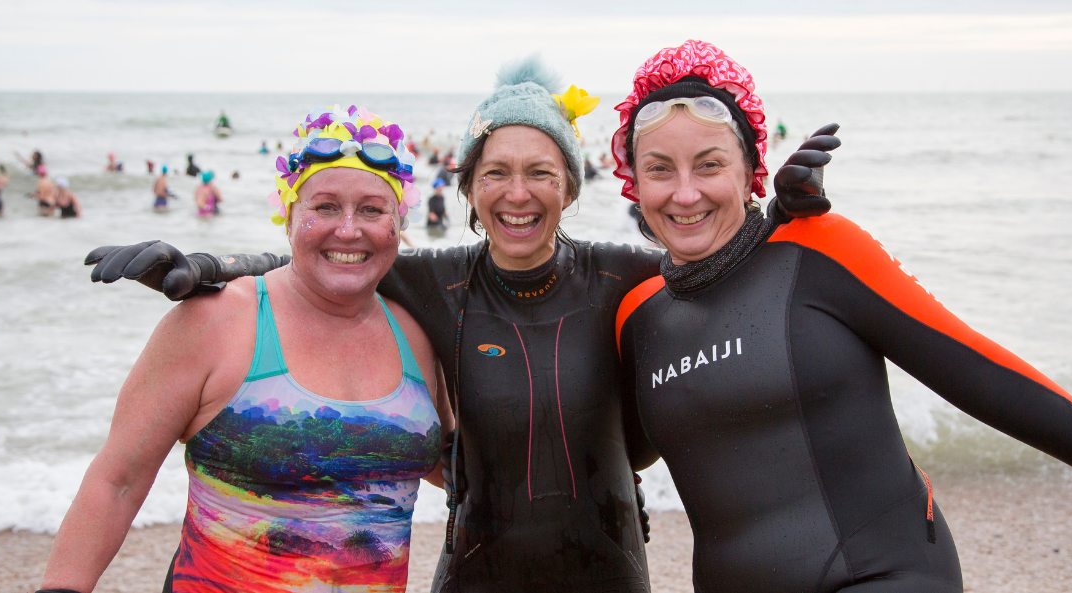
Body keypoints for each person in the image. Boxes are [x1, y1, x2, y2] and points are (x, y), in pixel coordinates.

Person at [83, 66, 836, 591]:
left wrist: (782, 215)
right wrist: (206, 264)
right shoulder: (433, 281)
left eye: (541, 171)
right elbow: (328, 255)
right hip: (473, 576)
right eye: (496, 172)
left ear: (570, 186)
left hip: (611, 573)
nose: (517, 193)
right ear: (469, 187)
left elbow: (720, 270)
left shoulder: (622, 274)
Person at [612, 40, 1072, 592]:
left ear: (751, 171)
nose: (685, 193)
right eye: (660, 169)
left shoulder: (819, 249)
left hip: (886, 572)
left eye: (711, 164)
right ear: (633, 183)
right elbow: (605, 440)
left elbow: (979, 372)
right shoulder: (637, 316)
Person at [38, 106, 451, 593]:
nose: (348, 229)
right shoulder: (217, 321)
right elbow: (118, 481)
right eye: (324, 207)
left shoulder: (417, 336)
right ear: (289, 217)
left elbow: (457, 472)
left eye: (371, 209)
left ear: (398, 223)